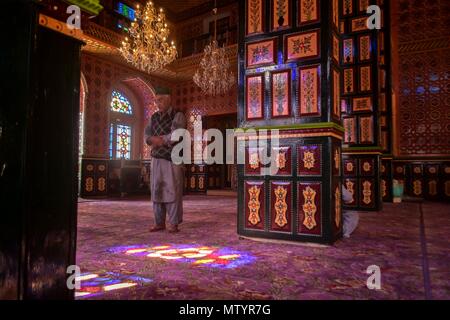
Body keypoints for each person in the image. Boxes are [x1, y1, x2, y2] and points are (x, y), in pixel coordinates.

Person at [144, 87, 187, 233]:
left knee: (172, 191)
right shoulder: (154, 117)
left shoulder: (178, 115)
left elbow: (177, 134)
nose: (157, 103)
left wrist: (161, 139)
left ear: (169, 99)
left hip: (172, 159)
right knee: (156, 190)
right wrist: (151, 140)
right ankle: (159, 223)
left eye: (160, 100)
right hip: (156, 158)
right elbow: (147, 135)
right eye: (156, 100)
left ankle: (173, 223)